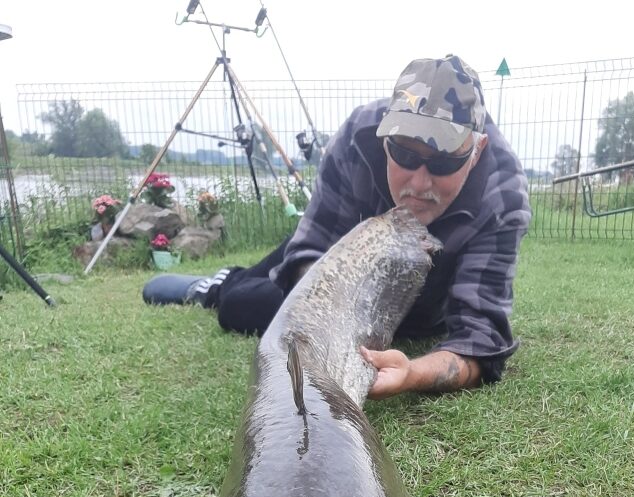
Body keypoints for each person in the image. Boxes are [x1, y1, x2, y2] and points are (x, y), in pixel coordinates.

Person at [143, 55, 531, 398]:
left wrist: (412, 372)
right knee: (239, 307)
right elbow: (313, 249)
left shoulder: (502, 193)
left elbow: (480, 341)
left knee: (409, 330)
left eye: (443, 163)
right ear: (385, 137)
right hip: (337, 266)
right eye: (404, 154)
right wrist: (337, 321)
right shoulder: (356, 138)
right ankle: (215, 286)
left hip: (423, 297)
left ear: (476, 149)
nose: (419, 183)